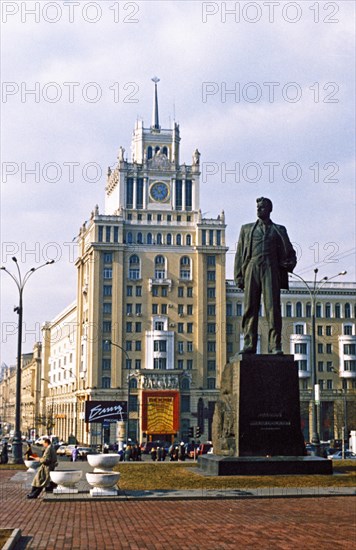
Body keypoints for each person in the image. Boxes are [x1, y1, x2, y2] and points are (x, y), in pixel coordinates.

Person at [234, 197, 297, 354]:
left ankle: (275, 345)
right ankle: (249, 344)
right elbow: (240, 254)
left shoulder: (279, 230)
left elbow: (290, 252)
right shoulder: (247, 229)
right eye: (257, 207)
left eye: (262, 207)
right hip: (252, 268)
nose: (258, 209)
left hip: (271, 269)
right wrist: (238, 276)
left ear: (269, 210)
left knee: (272, 308)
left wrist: (289, 263)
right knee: (250, 307)